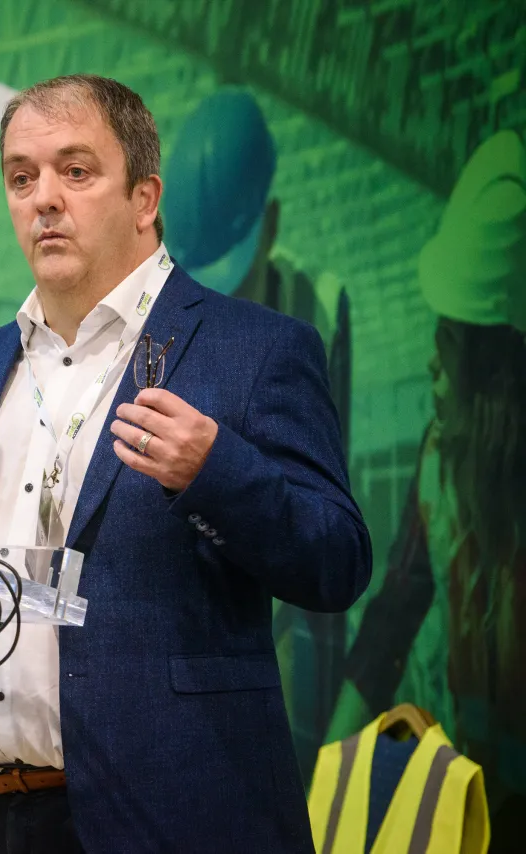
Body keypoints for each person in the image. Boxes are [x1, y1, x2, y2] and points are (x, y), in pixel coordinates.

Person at [0, 74, 371, 853]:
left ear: (145, 199)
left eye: (76, 171)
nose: (43, 199)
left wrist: (216, 471)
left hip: (164, 817)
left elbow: (336, 563)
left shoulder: (256, 350)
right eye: (21, 177)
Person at [329, 129, 526, 850]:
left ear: (498, 382)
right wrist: (327, 769)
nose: (429, 367)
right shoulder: (440, 458)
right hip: (472, 806)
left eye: (450, 348)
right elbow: (397, 608)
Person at [160, 88, 355, 778]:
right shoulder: (160, 306)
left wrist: (318, 731)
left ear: (270, 225)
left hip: (280, 617)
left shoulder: (315, 313)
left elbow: (326, 522)